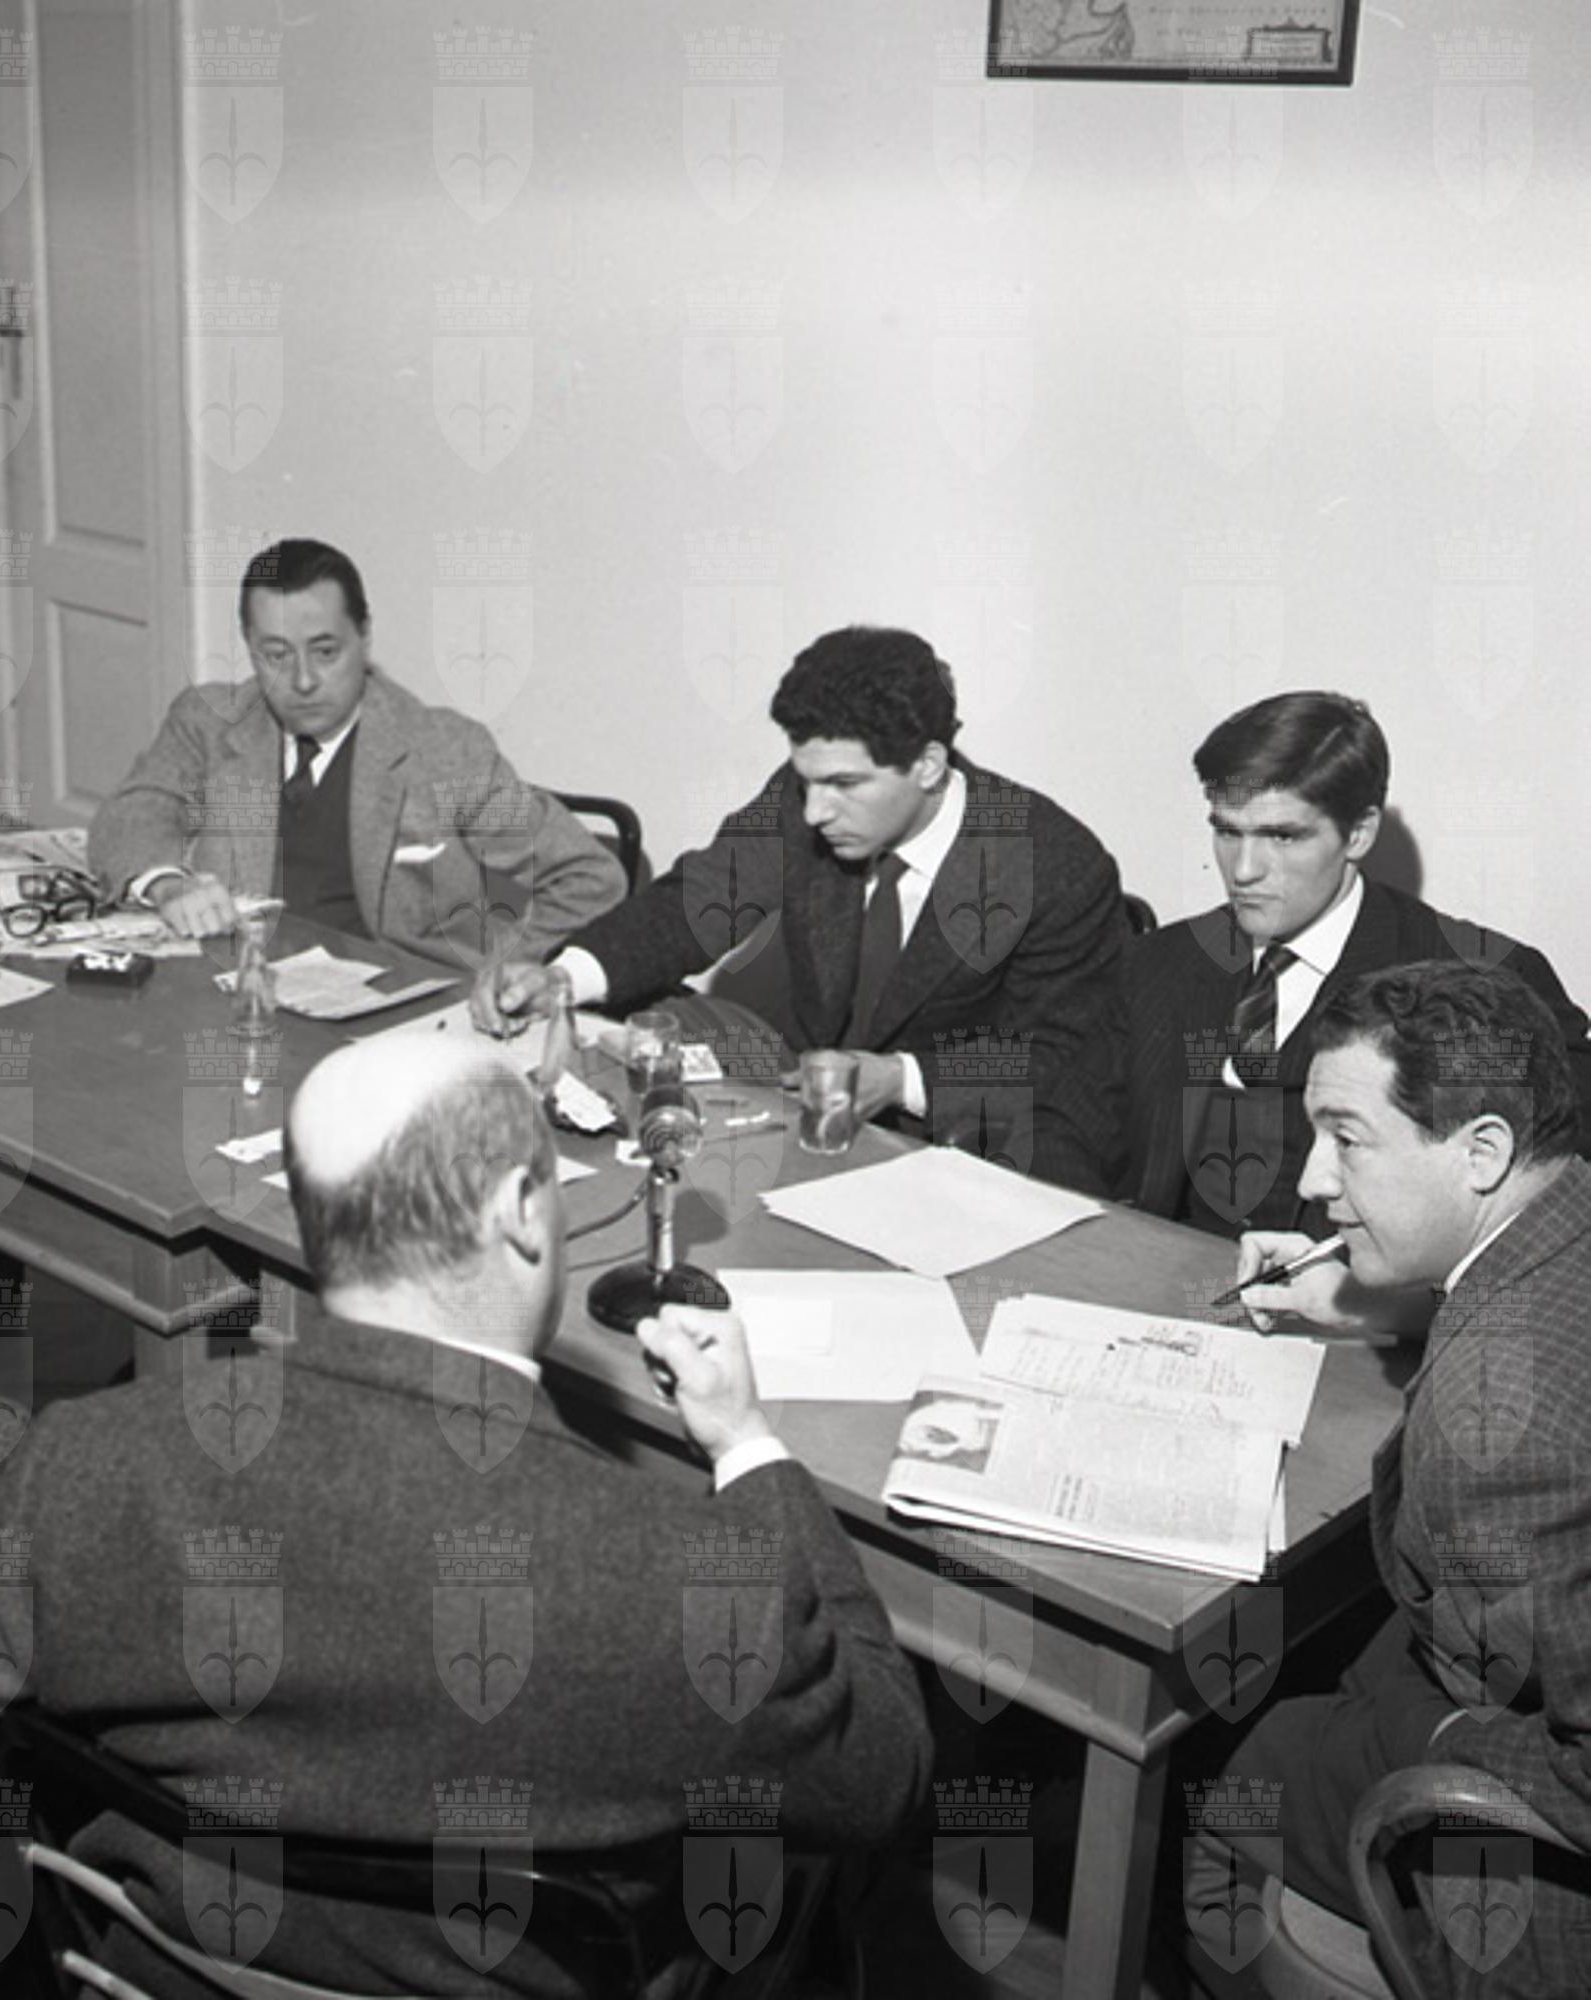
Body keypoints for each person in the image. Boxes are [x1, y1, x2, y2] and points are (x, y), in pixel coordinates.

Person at [0, 1031, 937, 1997]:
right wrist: (749, 1447)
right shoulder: (683, 1581)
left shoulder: (79, 1461)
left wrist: (81, 1874)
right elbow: (883, 1776)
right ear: (521, 1212)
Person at [1186, 961, 1591, 1999]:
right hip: (1498, 1656)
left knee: (1238, 1772)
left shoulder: (1495, 1432)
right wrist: (1366, 1295)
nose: (1315, 1179)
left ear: (1482, 1151)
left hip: (1545, 1866)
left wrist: (1441, 1735)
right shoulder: (1565, 1207)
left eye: (1347, 1138)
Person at [472, 625, 1130, 1195]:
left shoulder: (1056, 866)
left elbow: (1067, 1063)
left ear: (929, 765)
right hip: (814, 1123)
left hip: (965, 1149)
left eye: (843, 784)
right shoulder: (805, 799)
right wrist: (564, 976)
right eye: (806, 781)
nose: (814, 811)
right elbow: (699, 900)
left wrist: (900, 1079)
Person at [1123, 691, 1591, 1236]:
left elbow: (1557, 1200)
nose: (1244, 870)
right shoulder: (1157, 963)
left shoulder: (1488, 981)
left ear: (1359, 833)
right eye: (1227, 831)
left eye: (1282, 836)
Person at [88, 537, 625, 967]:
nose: (303, 680)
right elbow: (130, 817)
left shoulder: (443, 751)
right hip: (239, 993)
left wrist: (499, 972)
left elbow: (589, 880)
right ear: (248, 645)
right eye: (276, 655)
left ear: (364, 637)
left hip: (395, 1022)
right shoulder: (209, 722)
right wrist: (168, 886)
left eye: (325, 652)